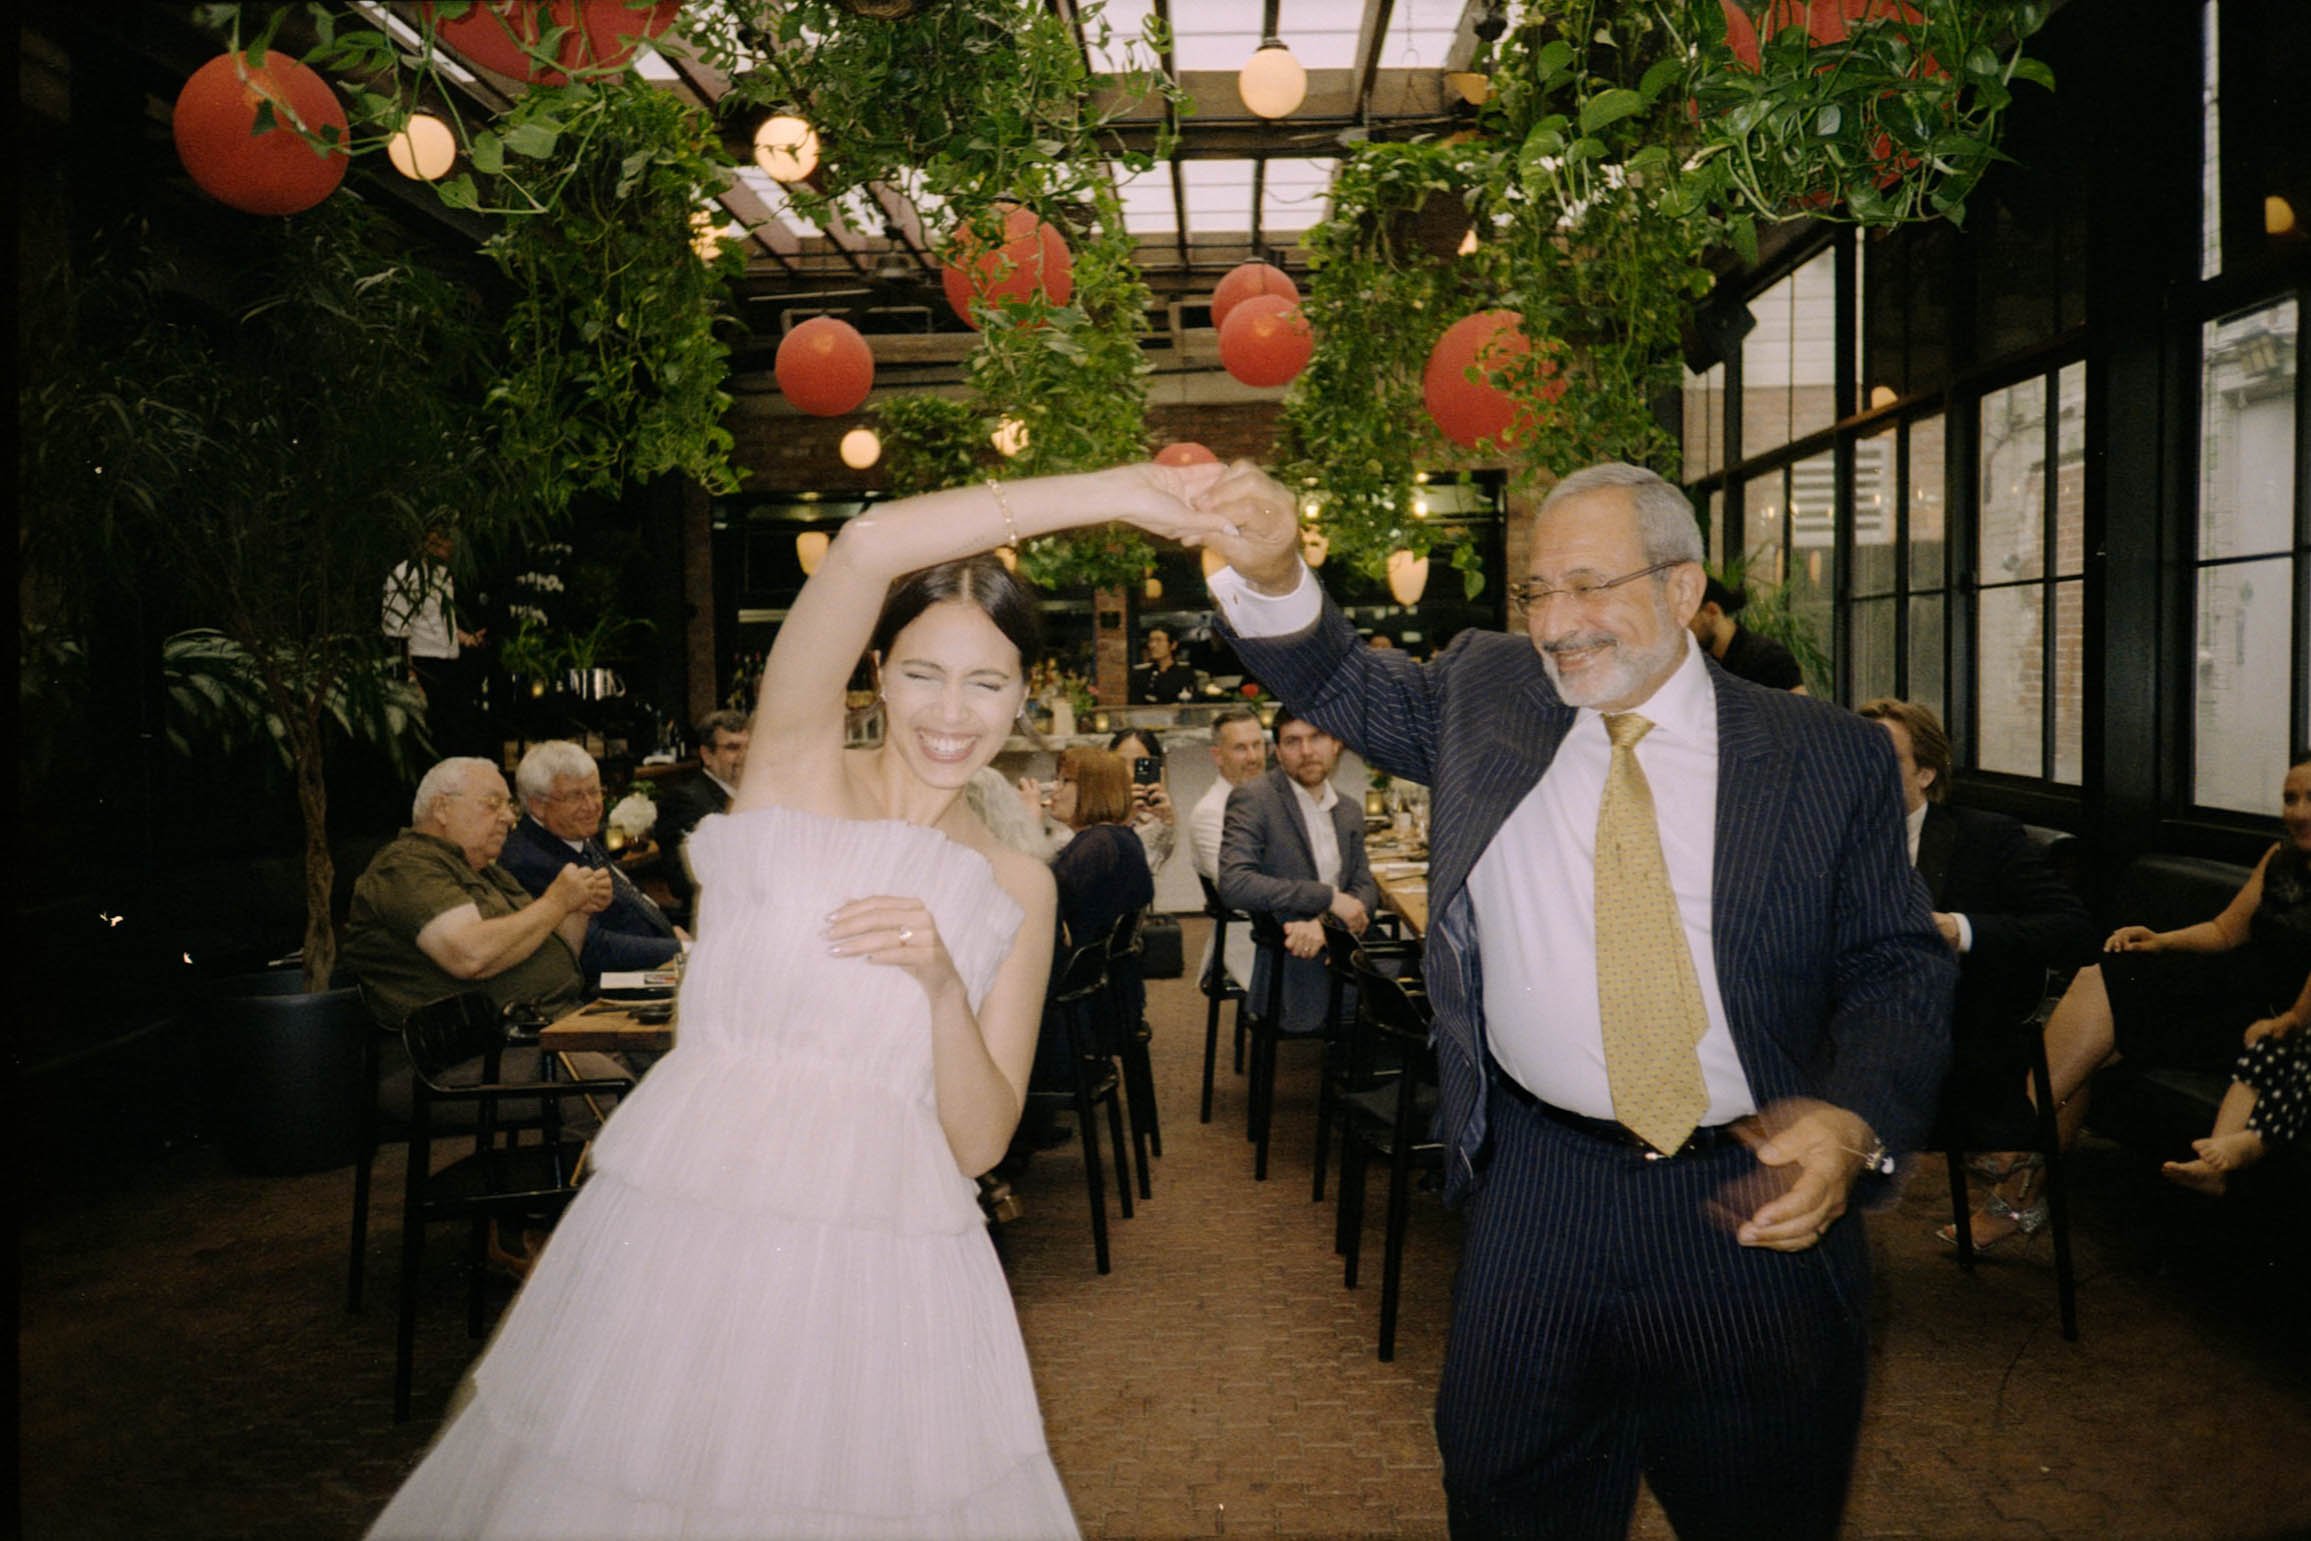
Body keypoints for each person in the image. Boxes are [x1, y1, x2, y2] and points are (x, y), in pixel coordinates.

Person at [367, 462, 1227, 1540]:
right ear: (874, 668)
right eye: (924, 673)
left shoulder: (1017, 883)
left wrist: (941, 986)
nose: (952, 713)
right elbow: (866, 549)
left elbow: (977, 1142)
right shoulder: (791, 764)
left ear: (1023, 696)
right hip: (692, 1215)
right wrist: (1118, 494)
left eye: (988, 683)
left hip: (884, 1247)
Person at [1190, 458, 1952, 1540]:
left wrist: (1850, 1114)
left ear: (1683, 590)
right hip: (1542, 1188)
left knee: (1762, 1500)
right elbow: (1336, 675)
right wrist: (1272, 566)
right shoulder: (1489, 693)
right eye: (1538, 591)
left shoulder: (1824, 755)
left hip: (1751, 1187)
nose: (1556, 623)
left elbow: (1898, 960)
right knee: (1510, 1493)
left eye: (1590, 585)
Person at [1962, 752, 2311, 1227]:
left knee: (2093, 1045)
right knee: (2101, 981)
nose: (2298, 811)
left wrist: (2286, 1019)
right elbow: (2226, 931)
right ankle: (2016, 1178)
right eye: (2291, 798)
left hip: (2283, 1023)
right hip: (2240, 998)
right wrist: (2160, 939)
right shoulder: (2281, 857)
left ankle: (2015, 1176)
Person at [1857, 699, 2095, 1246]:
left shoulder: (1984, 838)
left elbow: (2072, 929)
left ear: (1925, 771)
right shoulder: (1822, 840)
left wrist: (1960, 930)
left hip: (1957, 1046)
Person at [341, 756, 606, 1029]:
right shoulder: (406, 866)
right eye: (493, 804)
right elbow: (469, 956)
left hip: (556, 1021)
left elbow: (558, 954)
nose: (509, 817)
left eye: (509, 805)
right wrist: (556, 902)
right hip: (488, 1051)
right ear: (442, 808)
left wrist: (578, 909)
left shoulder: (488, 873)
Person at [1216, 708, 1382, 1037]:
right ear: (1277, 752)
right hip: (1292, 961)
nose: (1307, 751)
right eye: (1293, 741)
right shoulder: (1254, 799)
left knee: (1433, 983)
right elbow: (1234, 883)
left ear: (1336, 744)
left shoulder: (1348, 809)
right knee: (1409, 1006)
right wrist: (1327, 898)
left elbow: (1364, 883)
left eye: (1316, 737)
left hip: (1340, 948)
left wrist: (1328, 926)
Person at [499, 740, 683, 982]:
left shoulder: (572, 833)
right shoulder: (528, 860)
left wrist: (673, 935)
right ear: (537, 806)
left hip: (659, 958)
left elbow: (629, 903)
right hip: (610, 989)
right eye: (575, 796)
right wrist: (681, 950)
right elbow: (593, 949)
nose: (592, 806)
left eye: (595, 791)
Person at [382, 523, 488, 754]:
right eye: (440, 540)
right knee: (432, 739)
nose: (447, 546)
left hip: (448, 665)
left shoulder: (442, 574)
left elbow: (439, 621)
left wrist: (467, 639)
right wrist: (411, 678)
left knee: (456, 735)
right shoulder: (404, 575)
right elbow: (397, 632)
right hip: (422, 665)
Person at [1186, 706, 1269, 992]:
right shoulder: (1211, 813)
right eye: (1240, 749)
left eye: (1258, 745)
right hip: (1255, 937)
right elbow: (1239, 889)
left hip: (1282, 923)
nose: (1254, 757)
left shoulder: (1270, 796)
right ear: (1218, 756)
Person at [649, 708, 748, 912]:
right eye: (733, 747)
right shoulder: (683, 802)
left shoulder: (757, 796)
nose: (744, 756)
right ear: (707, 755)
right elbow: (683, 882)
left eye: (749, 747)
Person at [1688, 573, 1807, 693]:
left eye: (1687, 621)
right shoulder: (1704, 663)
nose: (1681, 631)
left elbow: (1801, 709)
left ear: (1712, 611)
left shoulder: (1769, 658)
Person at [1107, 726, 1178, 875]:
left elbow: (1141, 870)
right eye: (1120, 763)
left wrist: (1166, 823)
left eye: (1139, 765)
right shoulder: (1090, 809)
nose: (1129, 773)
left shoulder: (1156, 818)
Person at [1130, 624, 1198, 704]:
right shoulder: (1141, 675)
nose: (1153, 645)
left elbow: (1191, 704)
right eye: (1151, 641)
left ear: (1173, 645)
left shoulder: (1185, 674)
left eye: (1159, 641)